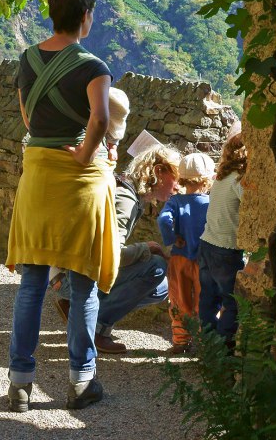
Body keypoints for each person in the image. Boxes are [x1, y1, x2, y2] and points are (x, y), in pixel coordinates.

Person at [6, 0, 117, 412]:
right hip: (77, 177)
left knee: (32, 280)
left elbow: (28, 117)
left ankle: (20, 383)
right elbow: (102, 119)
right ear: (85, 15)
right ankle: (81, 381)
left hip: (37, 174)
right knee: (83, 281)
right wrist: (85, 153)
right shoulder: (94, 66)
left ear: (53, 14)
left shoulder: (28, 59)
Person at [51, 137, 180, 354]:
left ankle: (78, 310)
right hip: (69, 277)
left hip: (66, 272)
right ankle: (97, 327)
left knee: (161, 288)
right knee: (156, 267)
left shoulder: (126, 190)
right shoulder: (125, 199)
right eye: (176, 178)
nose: (178, 186)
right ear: (158, 171)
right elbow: (109, 254)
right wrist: (146, 249)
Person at [158, 151, 215, 355]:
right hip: (204, 259)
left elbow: (163, 220)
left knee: (179, 299)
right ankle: (207, 342)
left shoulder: (175, 202)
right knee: (205, 299)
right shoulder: (211, 203)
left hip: (180, 257)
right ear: (208, 179)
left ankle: (181, 340)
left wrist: (172, 239)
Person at [198, 132, 247, 348]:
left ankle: (207, 344)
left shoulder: (220, 179)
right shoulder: (239, 180)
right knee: (233, 302)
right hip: (226, 249)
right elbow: (253, 206)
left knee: (208, 297)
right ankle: (223, 350)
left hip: (207, 243)